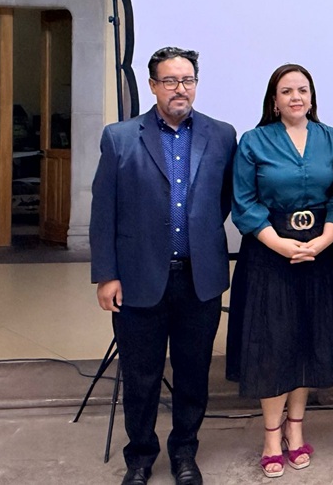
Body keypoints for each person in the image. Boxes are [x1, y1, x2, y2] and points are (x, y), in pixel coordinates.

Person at [90, 47, 237, 485]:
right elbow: (104, 211)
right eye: (170, 81)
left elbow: (222, 201)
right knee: (141, 377)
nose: (180, 89)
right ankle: (139, 457)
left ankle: (184, 452)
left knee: (193, 374)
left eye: (187, 80)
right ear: (152, 85)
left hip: (199, 279)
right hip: (137, 279)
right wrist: (106, 275)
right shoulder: (120, 137)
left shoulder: (221, 135)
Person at [228, 64, 333, 478]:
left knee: (308, 342)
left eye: (303, 90)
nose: (296, 97)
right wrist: (279, 243)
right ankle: (270, 436)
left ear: (312, 97)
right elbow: (243, 201)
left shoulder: (331, 138)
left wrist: (327, 236)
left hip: (320, 254)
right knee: (273, 345)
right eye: (287, 91)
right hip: (268, 256)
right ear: (274, 100)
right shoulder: (253, 141)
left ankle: (295, 429)